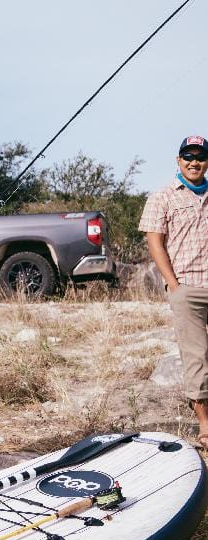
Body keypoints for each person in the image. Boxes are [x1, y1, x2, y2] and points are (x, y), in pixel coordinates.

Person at [139, 135, 208, 448]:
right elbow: (155, 241)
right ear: (178, 160)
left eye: (200, 156)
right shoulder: (162, 197)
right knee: (197, 356)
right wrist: (174, 285)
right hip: (187, 287)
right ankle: (205, 424)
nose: (194, 162)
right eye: (188, 157)